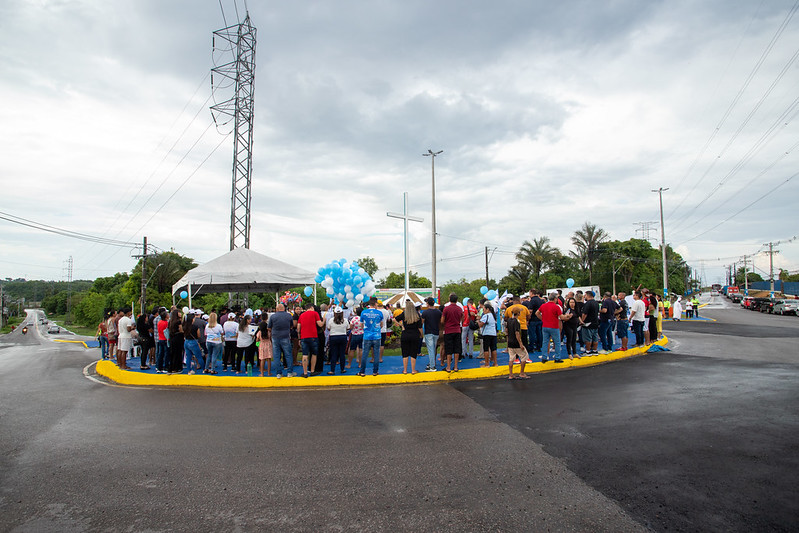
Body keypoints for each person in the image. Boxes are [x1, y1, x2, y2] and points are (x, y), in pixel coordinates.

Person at [358, 297, 385, 376]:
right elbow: (381, 324)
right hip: (377, 336)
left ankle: (362, 371)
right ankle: (375, 371)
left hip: (367, 336)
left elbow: (361, 324)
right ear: (376, 304)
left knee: (365, 354)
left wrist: (365, 330)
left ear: (369, 304)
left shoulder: (363, 312)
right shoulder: (379, 313)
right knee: (376, 354)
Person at [536, 293, 565, 363]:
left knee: (545, 342)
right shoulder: (556, 307)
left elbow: (537, 313)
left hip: (545, 326)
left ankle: (544, 357)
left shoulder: (543, 305)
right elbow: (561, 317)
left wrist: (542, 319)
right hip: (554, 326)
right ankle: (557, 357)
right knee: (557, 342)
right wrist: (567, 316)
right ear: (555, 299)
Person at [267, 303, 295, 378]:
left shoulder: (273, 316)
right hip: (286, 336)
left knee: (276, 356)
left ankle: (278, 373)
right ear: (284, 308)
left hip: (275, 337)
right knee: (288, 355)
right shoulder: (289, 315)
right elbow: (291, 326)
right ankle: (289, 372)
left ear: (277, 309)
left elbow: (269, 327)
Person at [397, 299, 423, 374]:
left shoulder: (404, 314)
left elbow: (394, 319)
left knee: (405, 353)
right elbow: (420, 327)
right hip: (415, 335)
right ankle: (413, 370)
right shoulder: (417, 315)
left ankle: (405, 370)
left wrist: (402, 325)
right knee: (413, 353)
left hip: (405, 334)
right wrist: (421, 335)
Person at [297, 302, 323, 377]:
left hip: (304, 337)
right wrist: (324, 320)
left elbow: (298, 328)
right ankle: (312, 371)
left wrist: (299, 338)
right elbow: (320, 324)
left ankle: (305, 372)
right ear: (311, 307)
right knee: (314, 354)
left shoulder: (301, 315)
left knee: (305, 354)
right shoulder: (315, 313)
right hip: (313, 336)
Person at [441, 293, 463, 373]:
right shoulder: (459, 309)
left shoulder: (446, 309)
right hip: (457, 330)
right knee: (457, 349)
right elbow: (462, 318)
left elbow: (442, 320)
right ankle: (456, 367)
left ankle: (448, 367)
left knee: (449, 349)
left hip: (448, 330)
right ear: (456, 300)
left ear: (449, 300)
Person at [326, 306, 350, 375]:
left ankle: (332, 370)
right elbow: (348, 328)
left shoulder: (331, 320)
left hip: (333, 337)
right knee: (342, 354)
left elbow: (328, 328)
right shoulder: (345, 320)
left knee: (334, 354)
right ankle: (342, 369)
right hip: (343, 336)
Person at [506, 307, 529, 379]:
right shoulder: (517, 322)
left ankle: (511, 374)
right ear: (518, 313)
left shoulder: (509, 320)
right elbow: (517, 333)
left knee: (511, 358)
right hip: (516, 342)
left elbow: (507, 330)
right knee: (524, 356)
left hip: (510, 342)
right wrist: (520, 343)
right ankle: (522, 373)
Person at [421, 297, 442, 371]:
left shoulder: (425, 312)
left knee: (431, 349)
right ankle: (432, 363)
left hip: (428, 332)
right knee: (433, 348)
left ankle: (432, 366)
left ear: (427, 303)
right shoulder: (438, 312)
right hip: (436, 332)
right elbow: (440, 322)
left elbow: (422, 322)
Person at [183, 310, 205, 374]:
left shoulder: (185, 326)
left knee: (188, 357)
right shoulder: (195, 326)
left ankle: (189, 370)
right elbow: (199, 335)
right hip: (194, 342)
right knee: (199, 356)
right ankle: (203, 369)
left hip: (186, 341)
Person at [580, 291, 600, 355]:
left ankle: (588, 351)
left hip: (588, 323)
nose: (584, 297)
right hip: (595, 322)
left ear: (588, 295)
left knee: (588, 338)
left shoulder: (587, 304)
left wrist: (582, 321)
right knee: (595, 338)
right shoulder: (596, 303)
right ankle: (595, 350)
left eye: (585, 295)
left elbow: (584, 314)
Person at [479, 301, 498, 367]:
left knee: (486, 349)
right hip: (493, 333)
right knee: (493, 349)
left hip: (487, 333)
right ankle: (495, 363)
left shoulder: (486, 316)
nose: (483, 311)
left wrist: (478, 321)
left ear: (487, 309)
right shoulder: (493, 316)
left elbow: (481, 325)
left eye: (484, 309)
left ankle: (486, 364)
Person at [526, 289, 544, 354]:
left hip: (533, 319)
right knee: (539, 333)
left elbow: (530, 311)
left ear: (531, 293)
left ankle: (531, 347)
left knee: (532, 334)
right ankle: (539, 346)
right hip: (539, 319)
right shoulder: (541, 300)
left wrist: (528, 319)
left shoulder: (532, 300)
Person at [155, 309, 169, 373]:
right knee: (166, 354)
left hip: (160, 338)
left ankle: (159, 367)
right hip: (165, 339)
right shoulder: (166, 323)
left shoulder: (159, 322)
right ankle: (165, 367)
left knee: (160, 353)